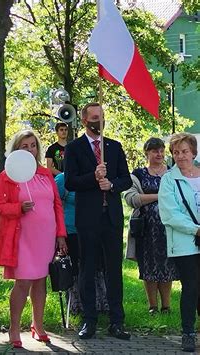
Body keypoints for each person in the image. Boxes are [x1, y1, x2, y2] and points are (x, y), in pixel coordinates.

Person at [0, 130, 67, 348]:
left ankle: (38, 325)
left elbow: (57, 205)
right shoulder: (6, 176)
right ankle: (14, 328)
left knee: (40, 281)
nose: (29, 150)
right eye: (24, 146)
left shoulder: (45, 174)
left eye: (33, 145)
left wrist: (61, 234)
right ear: (16, 150)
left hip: (45, 236)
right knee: (23, 281)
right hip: (21, 236)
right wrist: (17, 208)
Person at [64, 102, 132, 340]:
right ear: (84, 121)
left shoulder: (114, 147)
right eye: (94, 117)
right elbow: (71, 181)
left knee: (114, 270)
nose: (99, 121)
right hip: (88, 219)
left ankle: (117, 321)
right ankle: (89, 320)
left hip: (111, 217)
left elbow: (126, 180)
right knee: (88, 269)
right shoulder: (74, 148)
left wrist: (112, 185)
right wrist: (93, 178)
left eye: (101, 117)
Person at [124, 138, 178, 316]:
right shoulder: (138, 174)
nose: (160, 154)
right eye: (155, 151)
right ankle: (153, 306)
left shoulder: (172, 173)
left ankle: (166, 306)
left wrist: (152, 196)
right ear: (147, 153)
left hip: (169, 227)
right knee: (148, 267)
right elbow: (132, 199)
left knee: (167, 265)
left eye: (162, 151)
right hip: (145, 228)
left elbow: (178, 197)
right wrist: (159, 196)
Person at [158, 133, 200, 352]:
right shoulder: (168, 179)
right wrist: (196, 229)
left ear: (193, 152)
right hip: (184, 242)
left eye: (184, 151)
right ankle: (188, 333)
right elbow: (169, 214)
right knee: (192, 286)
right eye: (176, 152)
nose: (181, 156)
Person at [54, 172, 110, 315]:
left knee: (97, 267)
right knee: (76, 270)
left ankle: (100, 304)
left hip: (94, 229)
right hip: (71, 230)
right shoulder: (62, 179)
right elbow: (54, 206)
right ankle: (76, 305)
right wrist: (59, 235)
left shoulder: (96, 176)